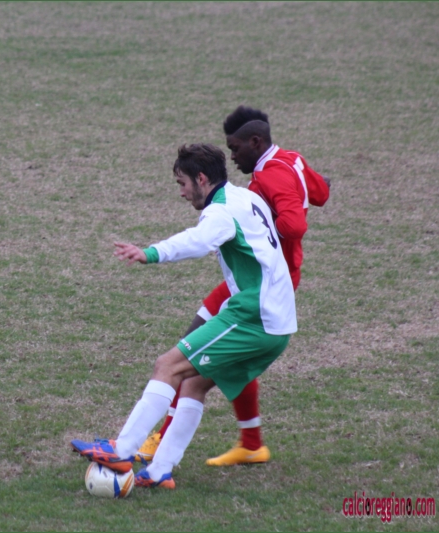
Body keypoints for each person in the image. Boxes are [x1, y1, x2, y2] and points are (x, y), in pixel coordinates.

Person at [71, 143, 297, 489]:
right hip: (277, 320)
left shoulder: (220, 212)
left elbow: (199, 241)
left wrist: (150, 253)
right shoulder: (246, 197)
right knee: (193, 382)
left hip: (255, 316)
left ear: (201, 179)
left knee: (168, 365)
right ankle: (160, 472)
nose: (181, 192)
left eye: (183, 184)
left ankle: (121, 450)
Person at [136, 106, 330, 467]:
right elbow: (321, 193)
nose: (232, 156)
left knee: (190, 350)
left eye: (235, 148)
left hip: (263, 281)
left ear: (256, 142)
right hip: (260, 277)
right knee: (220, 354)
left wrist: (260, 226)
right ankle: (251, 443)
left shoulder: (269, 178)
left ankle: (160, 437)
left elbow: (294, 225)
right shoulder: (293, 161)